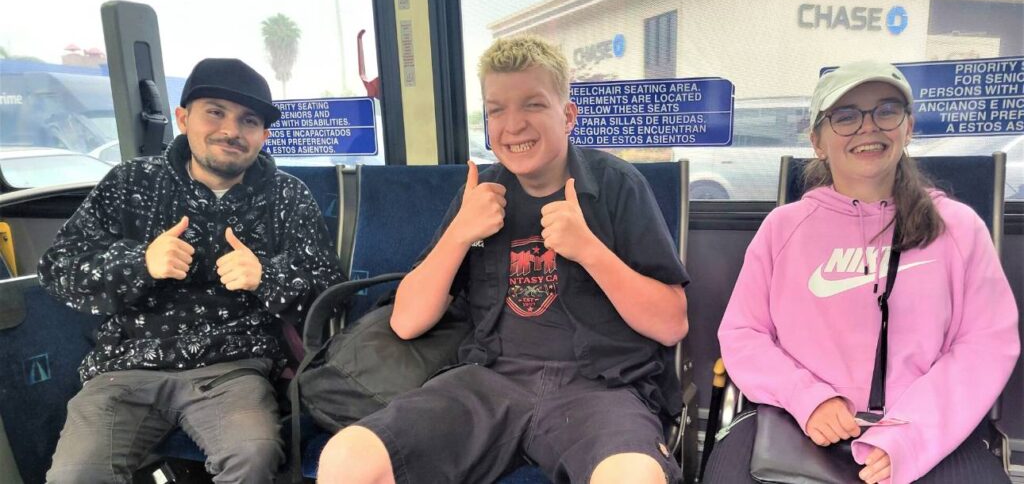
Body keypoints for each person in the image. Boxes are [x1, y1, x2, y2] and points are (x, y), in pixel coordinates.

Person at [317, 36, 690, 484]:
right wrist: (460, 234)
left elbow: (672, 324)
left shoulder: (617, 186)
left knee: (633, 477)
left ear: (567, 115)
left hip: (599, 389)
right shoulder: (478, 196)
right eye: (496, 110)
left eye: (532, 104)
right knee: (346, 458)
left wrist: (589, 250)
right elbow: (406, 322)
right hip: (489, 383)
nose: (512, 125)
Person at [704, 61, 1020, 484]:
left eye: (885, 111)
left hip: (927, 431)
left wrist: (911, 436)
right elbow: (744, 334)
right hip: (796, 423)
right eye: (846, 116)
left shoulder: (958, 228)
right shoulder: (782, 228)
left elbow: (983, 346)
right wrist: (809, 399)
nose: (868, 127)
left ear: (907, 128)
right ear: (817, 140)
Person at [39, 58, 345, 483]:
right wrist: (140, 263)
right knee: (75, 475)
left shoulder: (288, 197)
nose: (231, 131)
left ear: (264, 135)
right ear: (184, 118)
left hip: (233, 368)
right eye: (215, 112)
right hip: (126, 367)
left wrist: (266, 277)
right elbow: (58, 270)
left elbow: (330, 289)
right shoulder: (132, 183)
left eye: (248, 121)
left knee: (252, 456)